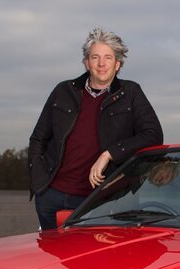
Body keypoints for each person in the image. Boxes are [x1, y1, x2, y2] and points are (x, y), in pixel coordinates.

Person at [28, 27, 163, 230]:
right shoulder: (63, 91)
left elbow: (153, 135)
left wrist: (109, 154)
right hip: (51, 197)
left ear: (117, 64)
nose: (101, 64)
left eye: (108, 57)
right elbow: (38, 138)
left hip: (102, 201)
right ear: (86, 62)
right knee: (51, 251)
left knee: (95, 252)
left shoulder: (131, 93)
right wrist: (40, 185)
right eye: (95, 57)